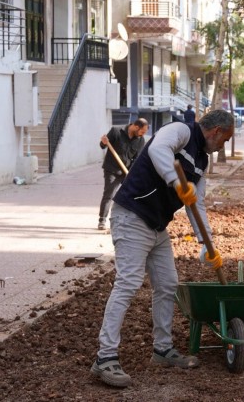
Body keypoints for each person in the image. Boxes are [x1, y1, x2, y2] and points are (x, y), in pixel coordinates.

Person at [91, 110, 235, 388]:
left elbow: (197, 204)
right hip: (131, 215)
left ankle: (163, 349)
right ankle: (104, 358)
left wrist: (206, 244)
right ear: (216, 130)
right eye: (225, 139)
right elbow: (157, 149)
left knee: (168, 284)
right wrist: (176, 181)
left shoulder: (201, 161)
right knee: (128, 283)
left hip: (157, 226)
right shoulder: (181, 131)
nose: (224, 145)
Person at [97, 119, 149, 230]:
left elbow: (137, 159)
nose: (143, 134)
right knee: (109, 194)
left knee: (132, 195)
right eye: (142, 131)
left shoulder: (140, 140)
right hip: (112, 169)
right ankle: (102, 220)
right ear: (136, 127)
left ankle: (131, 222)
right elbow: (103, 145)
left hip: (127, 172)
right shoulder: (116, 131)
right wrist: (103, 142)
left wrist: (133, 174)